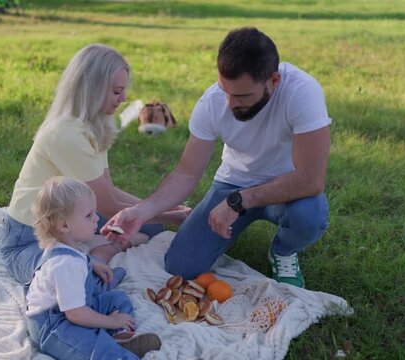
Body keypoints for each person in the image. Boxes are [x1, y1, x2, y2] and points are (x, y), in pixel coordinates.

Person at [101, 27, 331, 288]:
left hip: (287, 189)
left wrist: (239, 201)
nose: (231, 104)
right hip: (234, 183)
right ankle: (219, 220)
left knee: (309, 215)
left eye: (243, 95)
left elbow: (310, 180)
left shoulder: (302, 92)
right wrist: (141, 211)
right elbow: (186, 173)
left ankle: (283, 251)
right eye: (226, 90)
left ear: (273, 81)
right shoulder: (212, 102)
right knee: (180, 266)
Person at [0, 43, 188, 284]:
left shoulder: (96, 125)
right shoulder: (67, 134)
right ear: (94, 90)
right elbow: (108, 204)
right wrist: (171, 215)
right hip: (32, 239)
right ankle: (100, 253)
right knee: (76, 283)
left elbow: (107, 190)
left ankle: (100, 248)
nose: (125, 98)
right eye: (117, 91)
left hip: (70, 220)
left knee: (152, 228)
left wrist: (160, 209)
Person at [25, 176, 162, 359]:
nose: (97, 218)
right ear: (64, 225)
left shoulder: (67, 246)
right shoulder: (65, 265)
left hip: (73, 309)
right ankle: (118, 353)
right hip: (55, 326)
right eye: (89, 215)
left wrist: (92, 263)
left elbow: (79, 261)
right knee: (99, 351)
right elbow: (76, 314)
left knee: (117, 298)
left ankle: (121, 337)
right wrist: (111, 321)